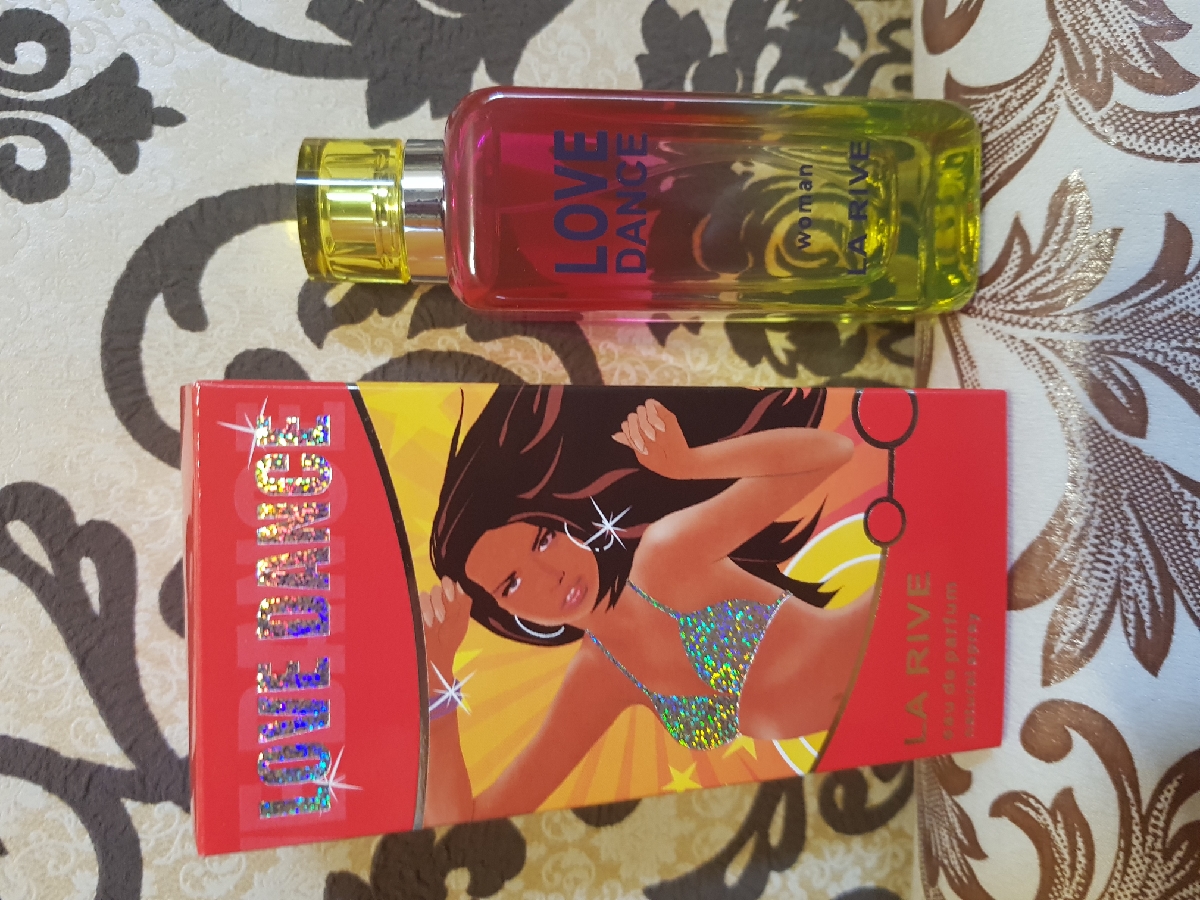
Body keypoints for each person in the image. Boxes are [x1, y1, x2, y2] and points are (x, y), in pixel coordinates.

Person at [418, 384, 874, 826]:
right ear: (504, 613)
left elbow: (831, 452)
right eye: (512, 584)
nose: (550, 574)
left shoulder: (666, 554)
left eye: (543, 540)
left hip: (892, 634)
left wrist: (692, 464)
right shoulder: (598, 676)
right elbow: (459, 825)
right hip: (881, 723)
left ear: (562, 522)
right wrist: (437, 679)